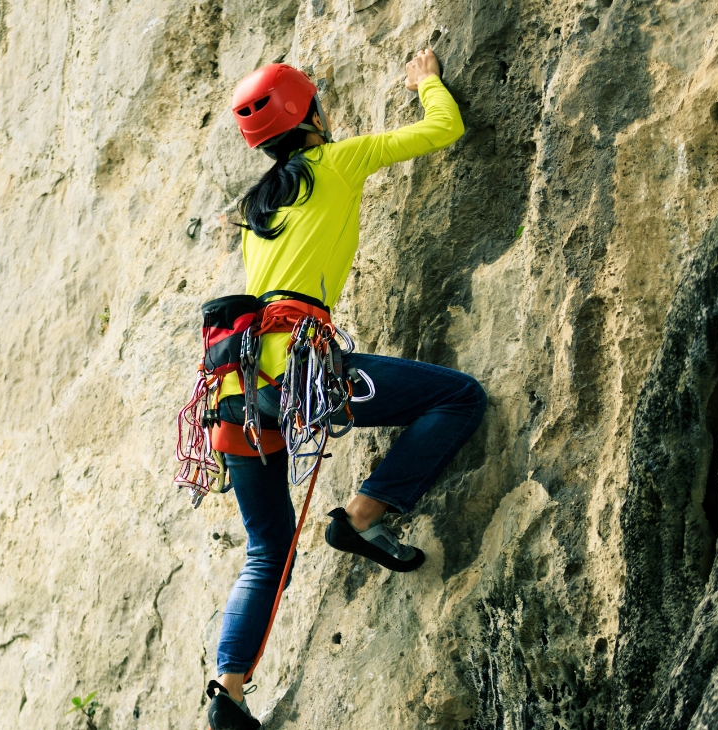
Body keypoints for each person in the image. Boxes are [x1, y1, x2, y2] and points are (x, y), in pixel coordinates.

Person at [204, 50, 487, 730]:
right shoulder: (335, 163)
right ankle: (360, 517)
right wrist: (424, 81)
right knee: (459, 398)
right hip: (302, 377)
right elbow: (441, 129)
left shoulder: (257, 207)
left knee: (267, 548)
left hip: (237, 392)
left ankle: (229, 695)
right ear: (309, 116)